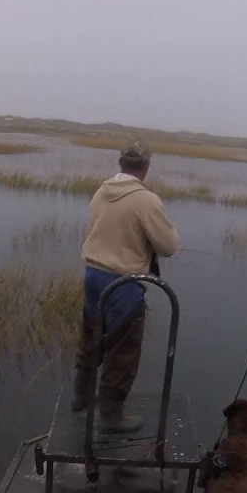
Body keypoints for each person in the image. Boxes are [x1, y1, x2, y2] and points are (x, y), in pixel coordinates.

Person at [72, 137, 180, 433]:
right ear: (145, 167)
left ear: (121, 163)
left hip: (93, 276)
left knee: (93, 336)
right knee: (123, 349)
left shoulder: (101, 192)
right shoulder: (145, 200)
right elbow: (168, 246)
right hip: (124, 283)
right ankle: (110, 415)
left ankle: (80, 395)